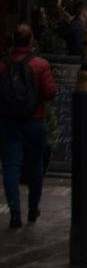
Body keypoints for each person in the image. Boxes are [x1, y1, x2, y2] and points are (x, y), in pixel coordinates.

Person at [1, 24, 56, 228]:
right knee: (35, 166)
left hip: (8, 122)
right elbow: (50, 92)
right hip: (35, 120)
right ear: (31, 40)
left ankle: (15, 212)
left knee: (11, 167)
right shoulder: (40, 64)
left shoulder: (3, 64)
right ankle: (33, 209)